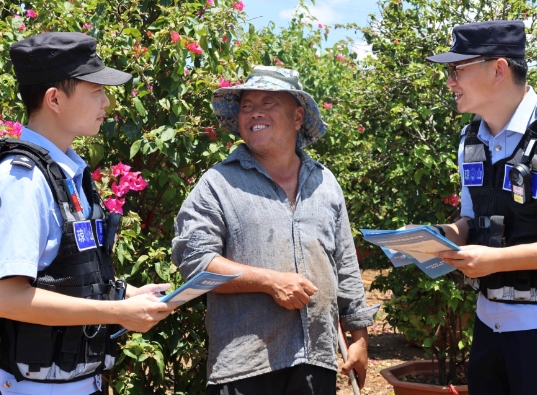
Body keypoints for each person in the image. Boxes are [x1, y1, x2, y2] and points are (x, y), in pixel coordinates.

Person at [172, 65, 378, 395]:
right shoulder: (218, 183)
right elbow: (195, 261)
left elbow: (345, 267)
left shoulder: (324, 183)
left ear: (298, 117)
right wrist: (270, 282)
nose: (255, 113)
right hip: (244, 367)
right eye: (247, 106)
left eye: (269, 103)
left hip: (315, 360)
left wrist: (360, 339)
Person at [0, 32, 177, 395]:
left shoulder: (68, 174)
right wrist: (115, 313)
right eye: (95, 90)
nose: (107, 102)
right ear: (54, 99)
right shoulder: (23, 179)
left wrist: (129, 294)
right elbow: (7, 297)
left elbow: (70, 275)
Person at [425, 20, 537, 394]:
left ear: (499, 69)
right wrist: (442, 238)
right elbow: (471, 218)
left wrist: (495, 261)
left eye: (457, 69)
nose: (449, 81)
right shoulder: (470, 138)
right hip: (489, 326)